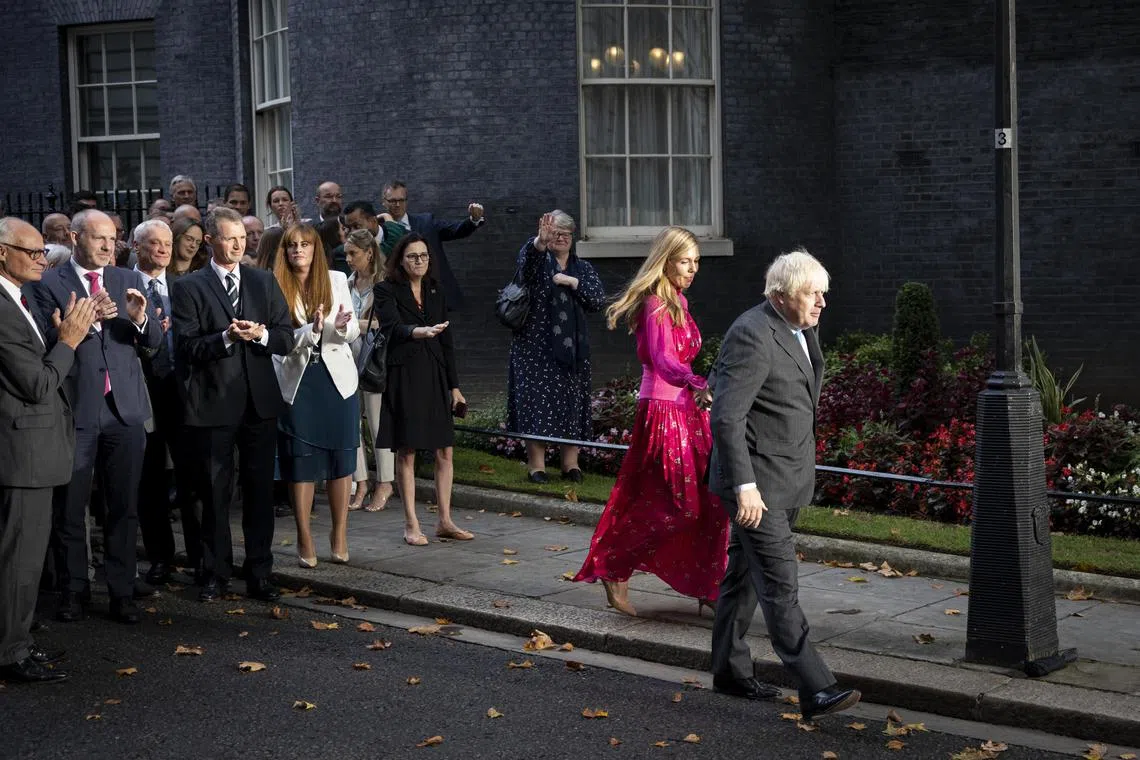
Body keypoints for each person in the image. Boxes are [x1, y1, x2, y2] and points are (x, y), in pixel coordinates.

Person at [707, 248, 860, 720]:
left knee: (743, 578)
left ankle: (730, 672)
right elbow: (726, 417)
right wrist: (744, 486)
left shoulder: (801, 329)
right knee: (780, 584)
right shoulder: (752, 334)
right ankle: (816, 687)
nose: (821, 303)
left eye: (823, 294)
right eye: (813, 294)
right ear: (781, 294)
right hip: (758, 489)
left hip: (787, 477)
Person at [573, 225, 726, 616]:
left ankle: (709, 587)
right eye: (685, 261)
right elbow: (662, 360)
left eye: (697, 262)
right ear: (666, 260)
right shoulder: (657, 304)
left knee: (712, 499)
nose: (693, 270)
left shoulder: (678, 301)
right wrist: (695, 380)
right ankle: (613, 564)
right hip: (663, 411)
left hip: (687, 411)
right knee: (680, 505)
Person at [26, 210, 163, 625]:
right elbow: (44, 342)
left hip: (124, 411)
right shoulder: (49, 282)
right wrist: (82, 323)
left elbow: (155, 342)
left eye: (113, 238)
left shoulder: (128, 279)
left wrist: (139, 318)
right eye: (99, 238)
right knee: (71, 509)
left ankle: (122, 592)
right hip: (76, 410)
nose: (109, 246)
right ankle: (73, 592)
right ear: (74, 237)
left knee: (124, 506)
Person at [170, 207, 294, 602]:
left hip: (259, 404)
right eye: (229, 237)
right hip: (214, 404)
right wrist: (225, 338)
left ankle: (260, 573)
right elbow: (186, 347)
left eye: (242, 236)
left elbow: (286, 338)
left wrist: (258, 336)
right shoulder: (190, 287)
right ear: (210, 241)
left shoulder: (263, 281)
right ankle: (213, 574)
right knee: (214, 493)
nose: (239, 244)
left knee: (259, 492)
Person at [0, 217, 99, 683]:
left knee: (25, 558)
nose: (44, 258)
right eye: (34, 251)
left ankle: (17, 640)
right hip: (21, 454)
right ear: (3, 252)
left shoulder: (15, 300)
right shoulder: (1, 307)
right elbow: (39, 382)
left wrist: (59, 338)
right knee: (19, 560)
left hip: (32, 449)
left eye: (44, 251)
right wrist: (69, 341)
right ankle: (10, 653)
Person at [271, 224, 360, 566]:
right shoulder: (274, 282)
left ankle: (339, 533)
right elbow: (278, 342)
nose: (298, 250)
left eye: (305, 244)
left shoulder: (337, 279)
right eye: (292, 245)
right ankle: (305, 537)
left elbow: (351, 330)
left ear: (315, 249)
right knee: (301, 462)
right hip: (298, 380)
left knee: (341, 460)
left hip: (337, 380)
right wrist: (312, 330)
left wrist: (339, 326)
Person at [373, 234, 470, 546]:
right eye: (413, 256)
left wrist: (455, 387)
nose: (419, 261)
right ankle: (411, 524)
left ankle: (445, 520)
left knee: (445, 448)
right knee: (408, 449)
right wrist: (418, 332)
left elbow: (447, 342)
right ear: (401, 259)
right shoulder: (386, 290)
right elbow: (390, 328)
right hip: (405, 373)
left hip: (436, 374)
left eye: (424, 256)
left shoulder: (435, 290)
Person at [506, 211, 604, 483]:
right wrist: (539, 240)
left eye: (566, 234)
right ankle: (536, 466)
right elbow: (525, 265)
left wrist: (572, 282)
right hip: (535, 348)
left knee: (571, 405)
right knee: (536, 404)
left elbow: (597, 300)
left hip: (573, 352)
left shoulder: (582, 268)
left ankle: (570, 465)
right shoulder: (538, 261)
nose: (560, 238)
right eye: (556, 233)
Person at [132, 220, 202, 585]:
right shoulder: (121, 286)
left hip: (182, 391)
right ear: (136, 245)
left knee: (191, 477)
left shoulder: (183, 286)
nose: (162, 250)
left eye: (167, 244)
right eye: (154, 243)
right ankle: (160, 557)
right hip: (141, 392)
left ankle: (199, 556)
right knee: (150, 479)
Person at [343, 229, 395, 512]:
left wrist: (352, 325)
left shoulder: (384, 284)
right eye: (346, 253)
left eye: (353, 253)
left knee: (377, 422)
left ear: (369, 253)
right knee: (352, 423)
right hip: (347, 359)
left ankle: (385, 482)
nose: (348, 259)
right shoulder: (346, 283)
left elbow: (383, 324)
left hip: (374, 360)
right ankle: (361, 481)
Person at [380, 180, 484, 309]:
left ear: (406, 201)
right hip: (398, 297)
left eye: (401, 200)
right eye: (392, 201)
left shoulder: (426, 222)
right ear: (384, 202)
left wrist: (473, 220)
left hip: (431, 295)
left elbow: (454, 230)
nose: (397, 204)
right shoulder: (379, 230)